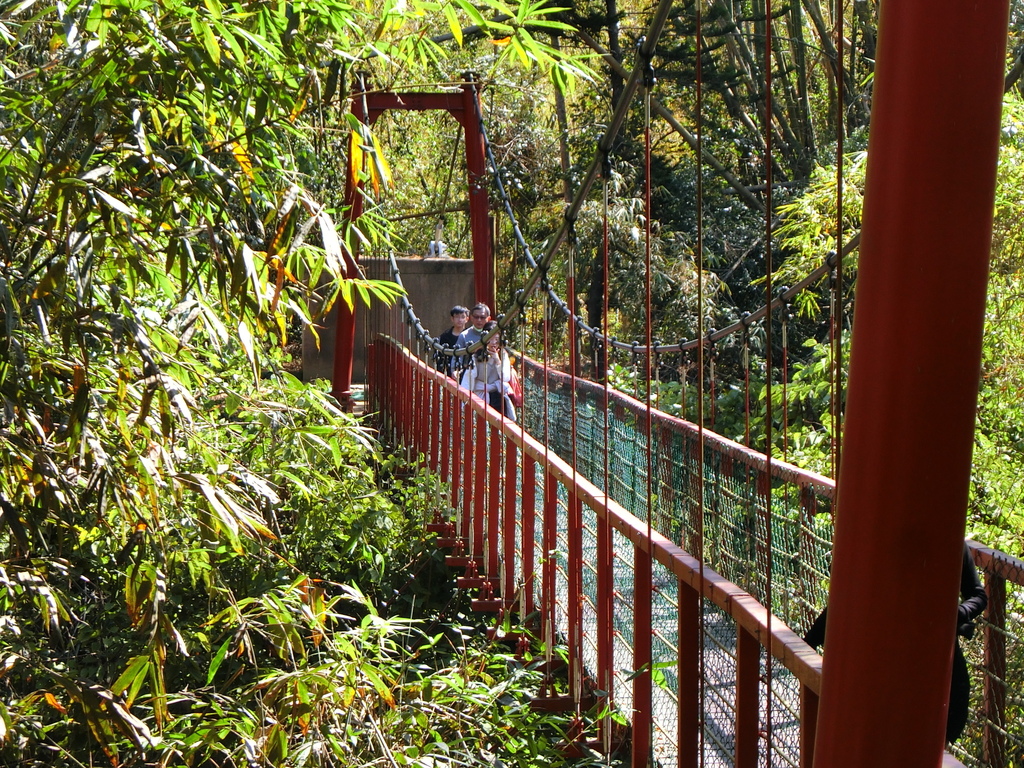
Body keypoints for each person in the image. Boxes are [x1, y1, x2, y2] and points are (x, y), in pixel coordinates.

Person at [803, 542, 987, 744]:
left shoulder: (950, 540)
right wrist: (809, 644)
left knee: (936, 738)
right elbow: (846, 597)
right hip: (880, 668)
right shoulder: (880, 540)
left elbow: (978, 595)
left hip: (935, 662)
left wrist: (956, 613)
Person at [460, 321, 516, 421]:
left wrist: (497, 359)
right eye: (490, 338)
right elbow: (469, 378)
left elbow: (506, 377)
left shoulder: (503, 354)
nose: (494, 342)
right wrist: (463, 401)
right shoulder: (476, 355)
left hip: (498, 395)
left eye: (497, 339)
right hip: (480, 395)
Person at [436, 305, 468, 377]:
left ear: (467, 319)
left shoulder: (469, 335)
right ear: (452, 319)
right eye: (457, 317)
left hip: (466, 372)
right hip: (448, 371)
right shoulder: (445, 336)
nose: (460, 320)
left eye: (462, 317)